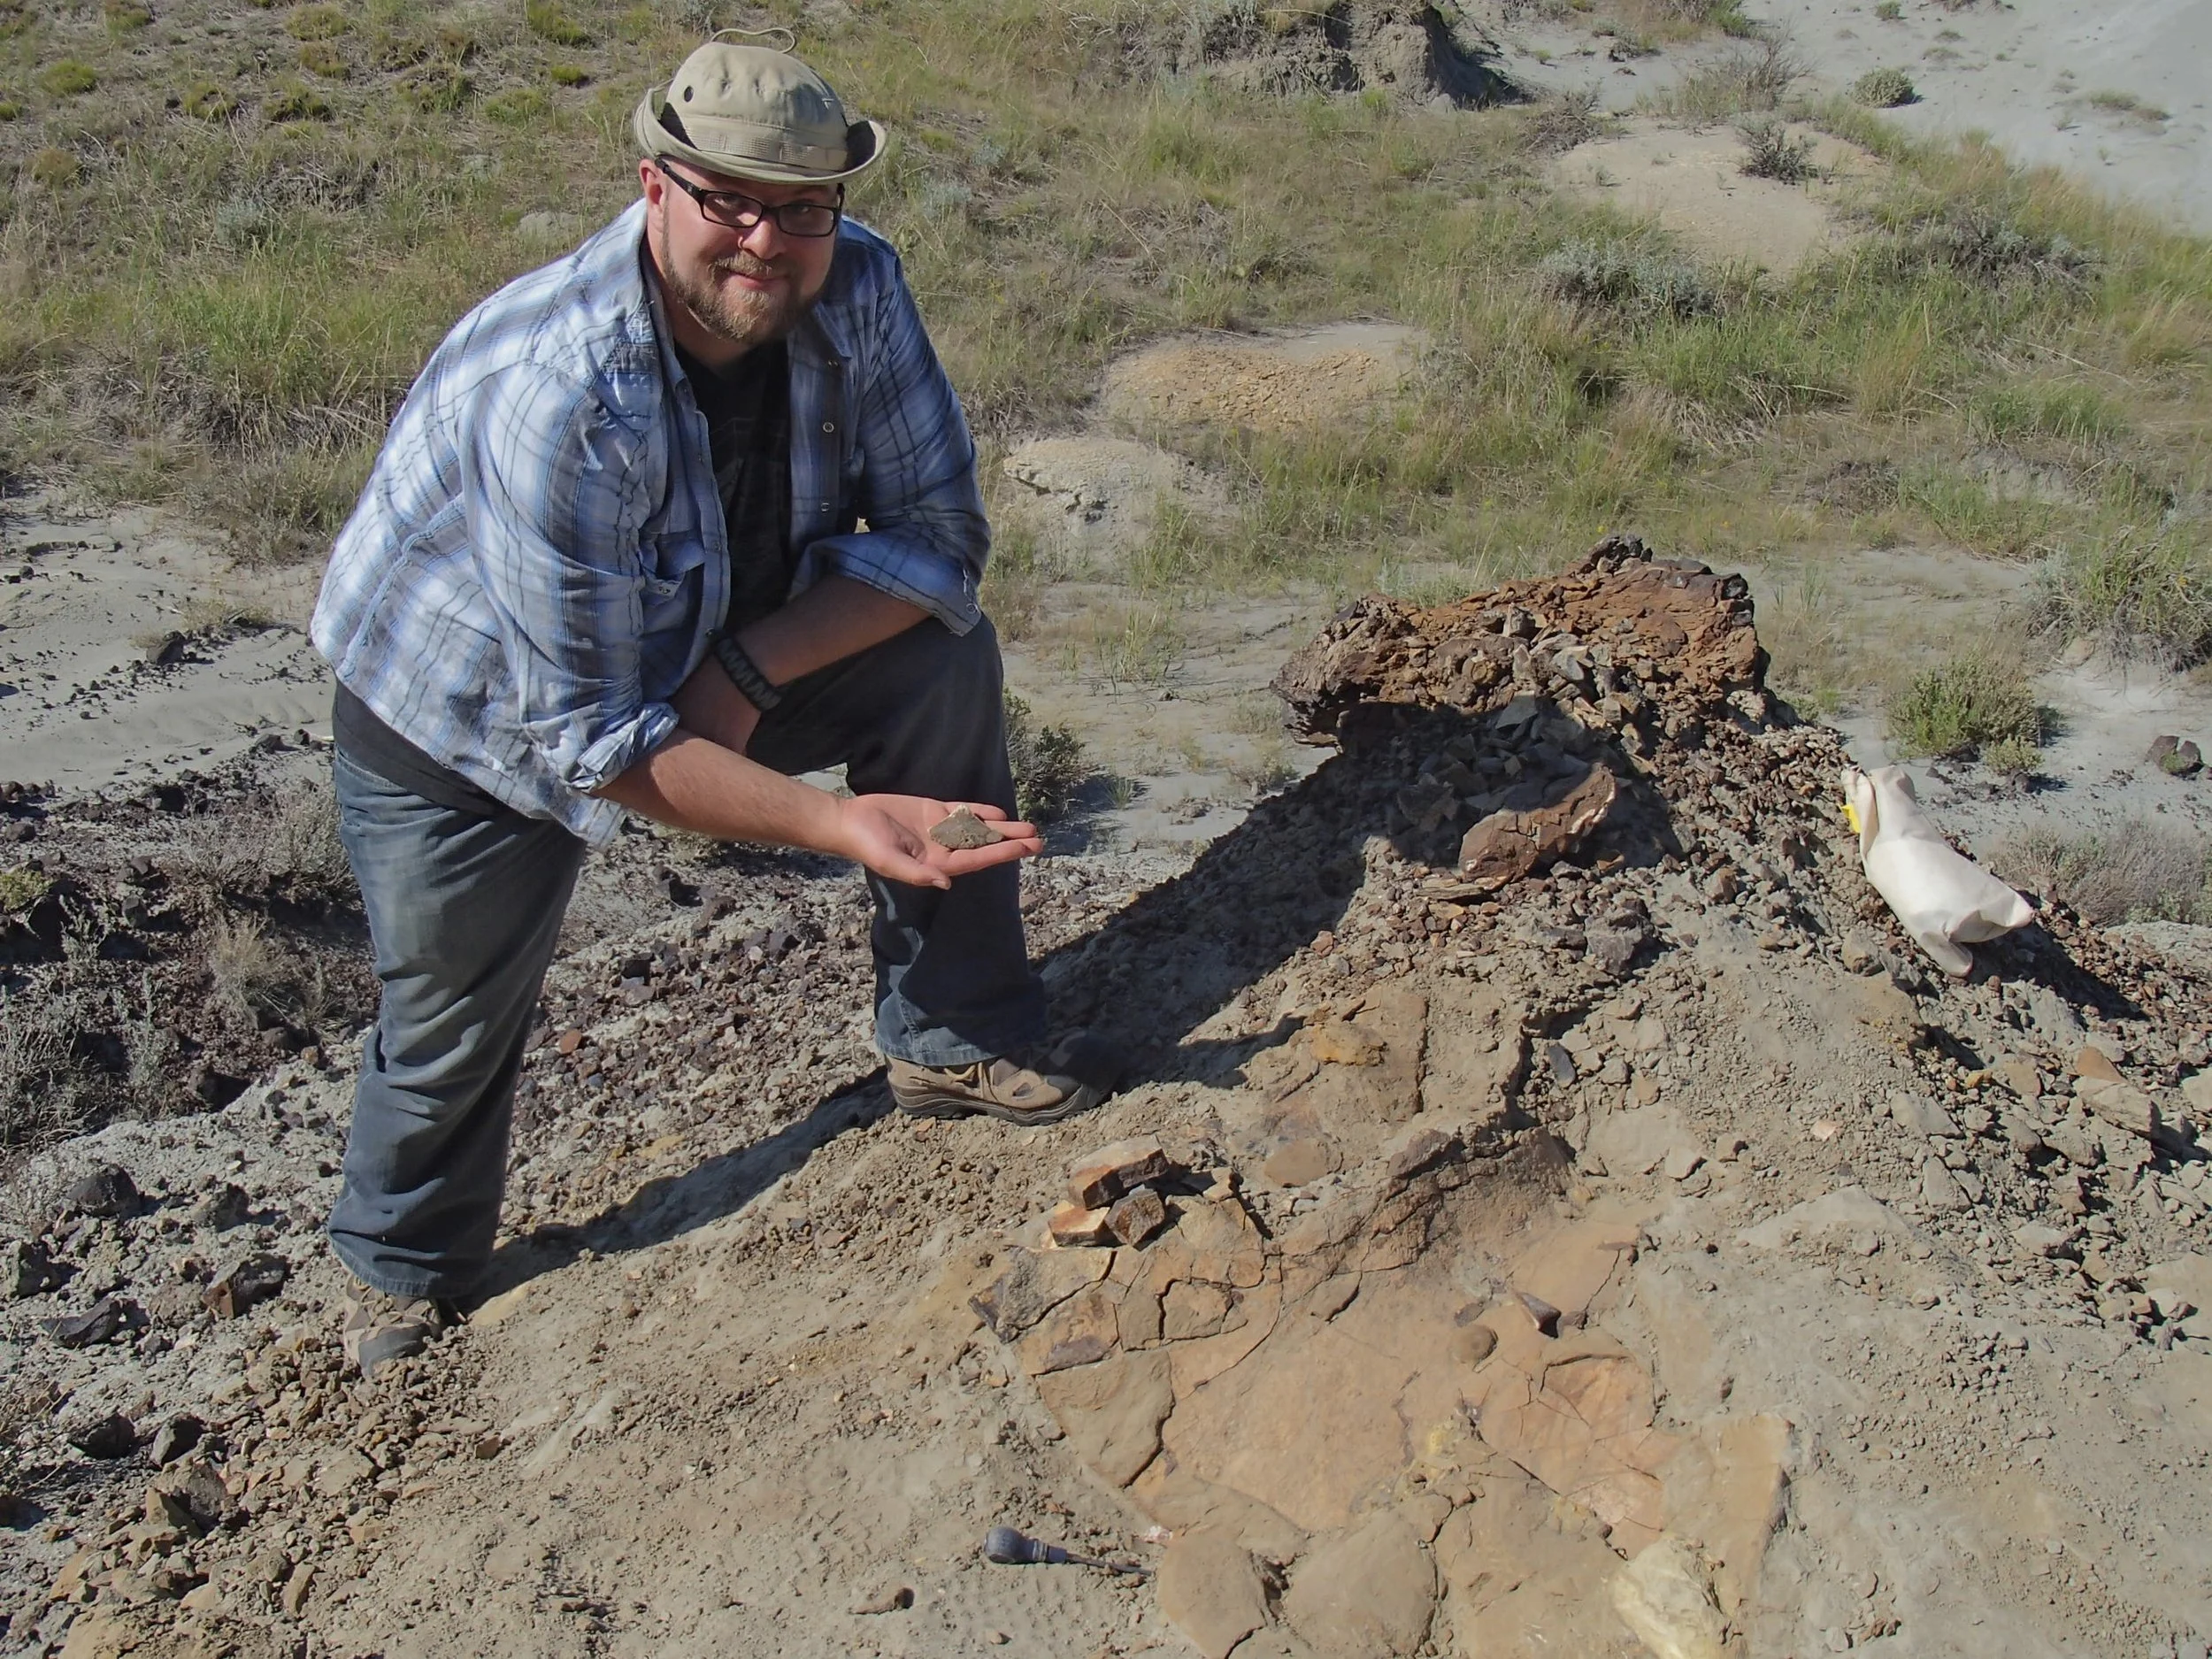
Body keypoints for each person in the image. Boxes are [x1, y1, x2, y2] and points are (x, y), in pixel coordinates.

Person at [310, 35, 1110, 1379]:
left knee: (940, 658)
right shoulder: (562, 393)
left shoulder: (859, 286)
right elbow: (593, 740)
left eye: (800, 207)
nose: (764, 241)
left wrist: (741, 677)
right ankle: (405, 1268)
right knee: (449, 1013)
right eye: (728, 200)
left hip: (712, 634)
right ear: (654, 187)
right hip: (468, 713)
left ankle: (957, 1033)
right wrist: (842, 824)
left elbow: (942, 539)